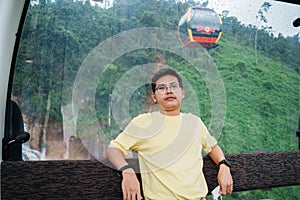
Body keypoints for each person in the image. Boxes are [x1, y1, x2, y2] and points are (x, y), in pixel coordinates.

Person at [106, 68, 233, 200]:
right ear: (154, 97)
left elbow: (212, 147)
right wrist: (127, 170)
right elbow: (113, 150)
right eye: (161, 88)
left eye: (174, 86)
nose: (169, 91)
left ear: (182, 93)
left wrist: (223, 164)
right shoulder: (142, 123)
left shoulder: (194, 122)